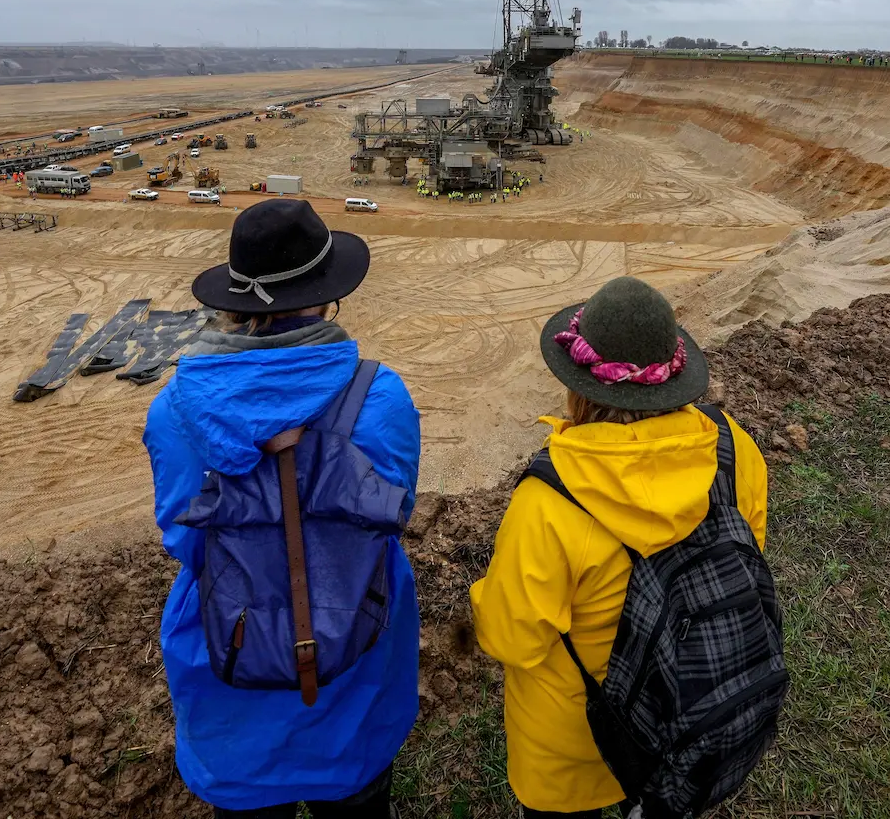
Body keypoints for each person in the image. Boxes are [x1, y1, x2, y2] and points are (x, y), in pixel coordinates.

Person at [146, 199, 422, 819]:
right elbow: (393, 515)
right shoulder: (380, 395)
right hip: (356, 654)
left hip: (228, 662)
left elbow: (184, 541)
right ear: (328, 298)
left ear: (232, 302)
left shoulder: (175, 409)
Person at [470, 277, 770, 819]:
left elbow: (512, 639)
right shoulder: (732, 448)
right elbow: (750, 547)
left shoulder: (551, 501)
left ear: (579, 385)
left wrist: (482, 596)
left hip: (574, 743)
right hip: (684, 706)